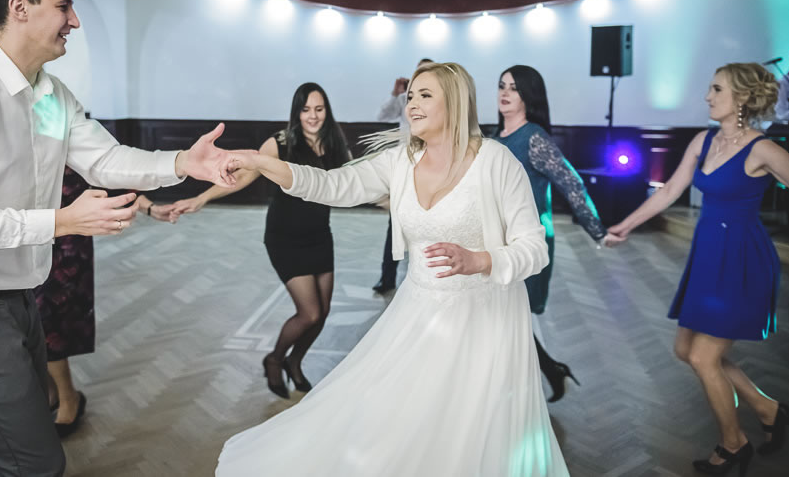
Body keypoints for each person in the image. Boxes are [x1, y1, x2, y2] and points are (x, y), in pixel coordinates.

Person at [0, 0, 239, 477]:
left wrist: (182, 163)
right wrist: (59, 221)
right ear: (20, 8)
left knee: (19, 450)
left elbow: (104, 160)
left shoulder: (47, 96)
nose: (75, 21)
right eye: (64, 7)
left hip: (20, 300)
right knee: (32, 462)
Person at [216, 62, 569, 476]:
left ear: (455, 102)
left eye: (425, 95)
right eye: (410, 96)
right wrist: (260, 162)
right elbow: (331, 184)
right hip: (420, 313)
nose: (411, 104)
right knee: (403, 420)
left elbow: (534, 248)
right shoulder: (400, 161)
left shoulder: (496, 161)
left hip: (486, 320)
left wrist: (481, 260)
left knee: (472, 427)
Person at [608, 62, 789, 475]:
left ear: (741, 97)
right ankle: (768, 409)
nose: (707, 96)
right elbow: (669, 191)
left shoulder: (762, 150)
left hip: (742, 261)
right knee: (685, 351)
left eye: (716, 89)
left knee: (705, 358)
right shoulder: (703, 141)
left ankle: (733, 443)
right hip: (707, 257)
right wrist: (626, 225)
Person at [172, 83, 351, 399]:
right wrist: (202, 198)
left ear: (327, 111)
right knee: (309, 313)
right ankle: (275, 359)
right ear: (296, 112)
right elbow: (245, 175)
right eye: (306, 109)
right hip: (286, 238)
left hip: (320, 235)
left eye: (319, 109)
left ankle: (295, 362)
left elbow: (352, 180)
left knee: (323, 314)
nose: (313, 116)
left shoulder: (335, 142)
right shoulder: (280, 142)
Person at [494, 65, 621, 402]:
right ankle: (547, 372)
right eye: (502, 86)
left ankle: (520, 395)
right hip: (495, 242)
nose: (505, 93)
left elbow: (571, 184)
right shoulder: (494, 138)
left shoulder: (534, 138)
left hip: (525, 242)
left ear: (529, 95)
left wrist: (598, 231)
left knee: (510, 316)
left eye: (514, 88)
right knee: (502, 317)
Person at [35, 171, 179, 440]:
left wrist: (148, 207)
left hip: (66, 237)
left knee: (48, 318)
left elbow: (105, 169)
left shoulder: (62, 140)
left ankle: (68, 399)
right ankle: (51, 392)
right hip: (22, 232)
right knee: (25, 319)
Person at [372, 58, 433, 294]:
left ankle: (427, 279)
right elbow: (382, 115)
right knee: (395, 227)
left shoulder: (442, 101)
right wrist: (395, 93)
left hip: (432, 171)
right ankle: (387, 278)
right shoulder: (404, 99)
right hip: (404, 169)